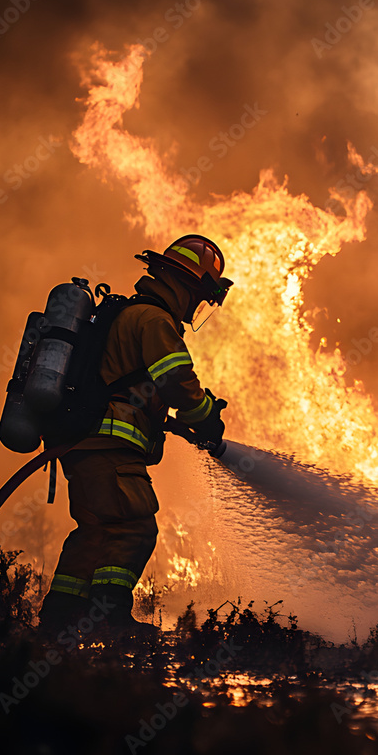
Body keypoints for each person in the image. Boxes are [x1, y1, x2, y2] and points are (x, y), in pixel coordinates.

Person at [37, 235, 233, 638]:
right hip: (111, 448)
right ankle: (110, 621)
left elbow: (132, 388)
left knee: (95, 531)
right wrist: (205, 415)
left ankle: (59, 623)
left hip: (86, 444)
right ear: (185, 285)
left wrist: (173, 421)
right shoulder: (153, 320)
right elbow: (176, 381)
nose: (196, 307)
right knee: (134, 527)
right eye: (199, 296)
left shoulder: (129, 316)